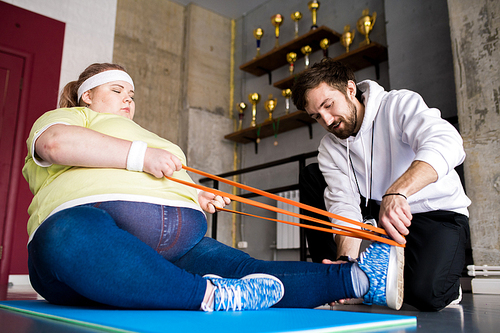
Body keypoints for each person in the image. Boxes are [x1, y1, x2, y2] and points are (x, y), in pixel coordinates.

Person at [23, 63, 404, 312]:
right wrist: (142, 156)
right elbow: (55, 145)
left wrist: (197, 195)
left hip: (179, 242)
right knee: (64, 234)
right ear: (88, 95)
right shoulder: (70, 116)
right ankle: (206, 295)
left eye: (131, 94)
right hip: (89, 235)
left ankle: (361, 279)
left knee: (248, 270)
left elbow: (171, 177)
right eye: (116, 91)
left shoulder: (146, 134)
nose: (128, 99)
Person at [291, 59, 471, 311]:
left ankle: (444, 286)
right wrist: (346, 260)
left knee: (427, 295)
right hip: (384, 221)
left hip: (437, 213)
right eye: (316, 116)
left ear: (350, 89)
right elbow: (342, 203)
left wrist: (399, 191)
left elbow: (448, 143)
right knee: (312, 175)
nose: (327, 120)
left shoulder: (398, 104)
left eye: (328, 105)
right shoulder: (330, 147)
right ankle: (340, 276)